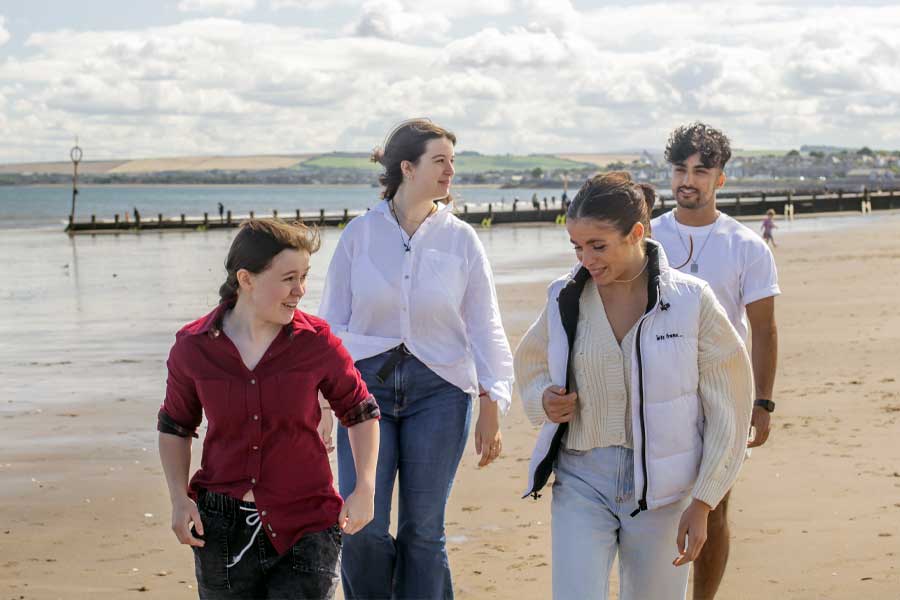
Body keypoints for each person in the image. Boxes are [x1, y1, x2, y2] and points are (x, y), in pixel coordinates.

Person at [515, 172, 753, 600]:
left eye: (598, 245)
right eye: (577, 246)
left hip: (666, 491)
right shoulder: (563, 296)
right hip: (582, 480)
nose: (586, 258)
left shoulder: (690, 300)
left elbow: (731, 407)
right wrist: (543, 401)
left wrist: (704, 500)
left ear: (637, 233)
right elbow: (530, 365)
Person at [319, 118, 514, 599]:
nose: (451, 170)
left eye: (453, 161)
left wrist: (493, 399)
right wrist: (320, 403)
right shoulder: (358, 236)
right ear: (407, 167)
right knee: (361, 524)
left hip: (441, 391)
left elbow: (484, 324)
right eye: (440, 160)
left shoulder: (462, 239)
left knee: (423, 533)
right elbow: (328, 326)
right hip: (363, 395)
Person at [157, 219, 380, 600]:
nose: (301, 291)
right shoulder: (193, 347)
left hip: (307, 526)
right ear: (246, 279)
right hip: (222, 533)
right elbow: (175, 426)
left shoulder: (317, 343)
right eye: (289, 278)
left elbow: (360, 412)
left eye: (305, 277)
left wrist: (365, 486)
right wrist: (179, 499)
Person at [650, 122, 780, 600]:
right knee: (656, 506)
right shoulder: (648, 237)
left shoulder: (746, 246)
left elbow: (764, 329)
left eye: (701, 170)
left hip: (723, 393)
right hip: (656, 388)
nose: (689, 179)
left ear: (720, 178)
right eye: (680, 169)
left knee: (715, 507)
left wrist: (762, 402)